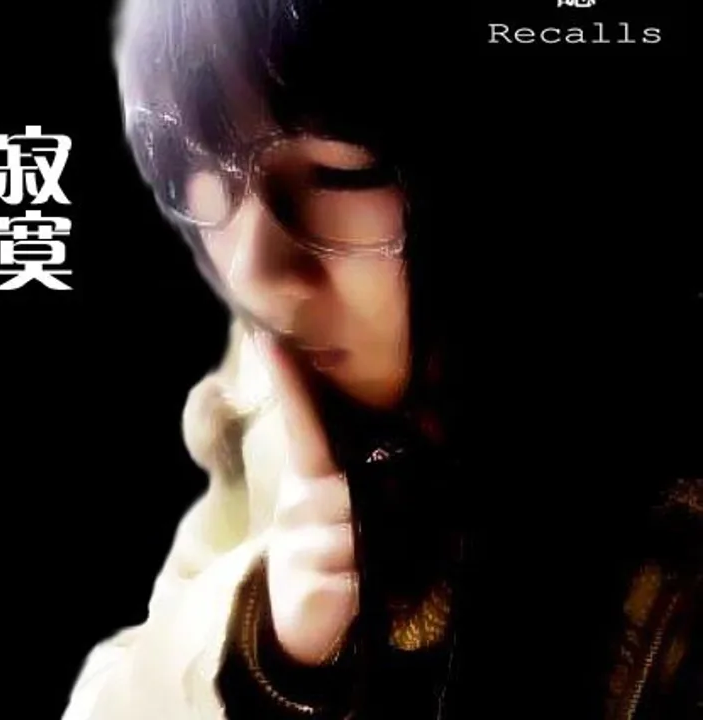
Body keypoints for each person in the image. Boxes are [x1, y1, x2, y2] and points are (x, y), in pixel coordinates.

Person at [62, 1, 701, 717]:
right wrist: (268, 647)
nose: (253, 273)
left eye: (340, 175)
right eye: (195, 172)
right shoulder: (271, 400)